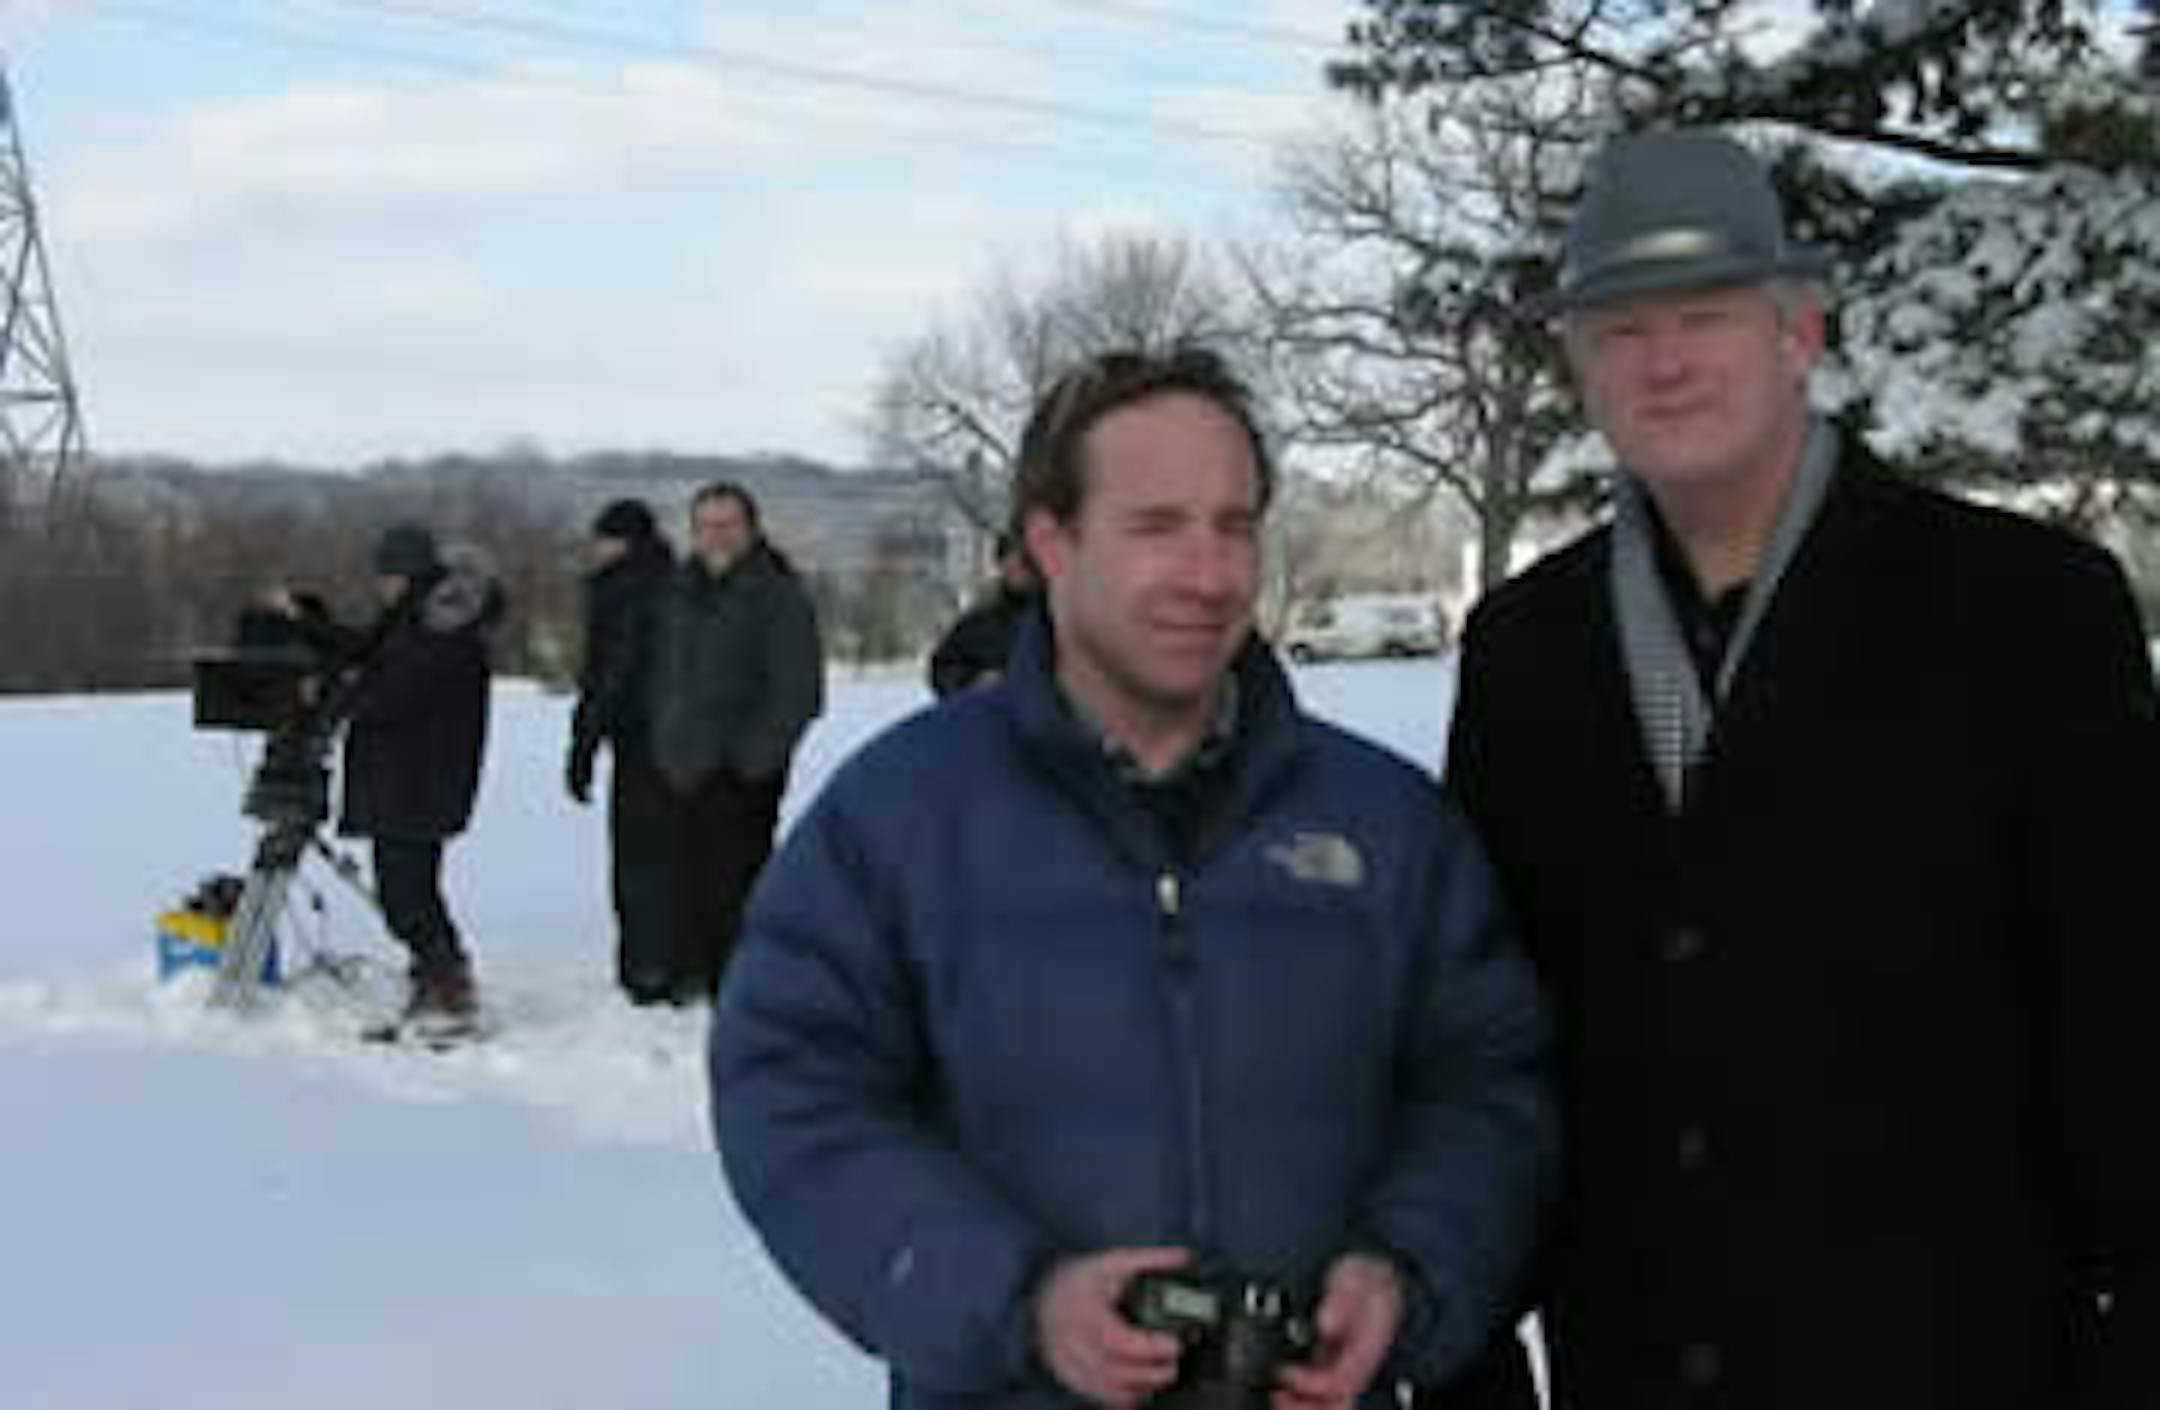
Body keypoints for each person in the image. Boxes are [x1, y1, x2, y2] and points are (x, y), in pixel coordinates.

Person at [1445, 127, 2160, 1409]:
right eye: (1618, 329)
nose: (1661, 362)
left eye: (1704, 315)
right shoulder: (1524, 654)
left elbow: (2129, 1017)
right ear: (1578, 366)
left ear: (1800, 333)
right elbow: (1498, 1034)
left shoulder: (2028, 614)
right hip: (1643, 1371)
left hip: (1966, 1367)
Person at [712, 346, 1556, 1410]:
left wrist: (1407, 1270)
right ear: (1051, 542)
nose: (1208, 576)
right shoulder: (900, 820)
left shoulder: (1386, 826)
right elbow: (793, 1094)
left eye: (1235, 526)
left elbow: (1486, 1088)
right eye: (1156, 527)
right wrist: (1015, 1301)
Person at [276, 522, 503, 1037]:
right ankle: (438, 979)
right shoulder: (415, 619)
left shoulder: (439, 628)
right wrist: (310, 623)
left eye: (388, 575)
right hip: (408, 780)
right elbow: (368, 650)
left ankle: (448, 990)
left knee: (408, 895)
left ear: (410, 575)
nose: (381, 586)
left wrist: (328, 698)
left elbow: (392, 696)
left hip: (419, 781)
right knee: (410, 891)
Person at [644, 481, 823, 1002]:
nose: (716, 536)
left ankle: (744, 985)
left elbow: (799, 690)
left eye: (727, 525)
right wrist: (666, 738)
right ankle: (692, 971)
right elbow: (663, 675)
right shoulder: (678, 592)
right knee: (685, 880)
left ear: (750, 529)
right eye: (705, 526)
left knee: (738, 884)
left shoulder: (777, 593)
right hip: (681, 762)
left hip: (743, 768)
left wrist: (755, 757)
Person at [564, 497, 677, 1004]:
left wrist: (583, 745)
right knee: (675, 855)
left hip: (640, 737)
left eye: (604, 540)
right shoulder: (676, 581)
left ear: (623, 542)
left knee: (638, 858)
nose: (597, 549)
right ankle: (677, 961)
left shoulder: (622, 591)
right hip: (683, 739)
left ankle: (647, 968)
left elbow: (610, 673)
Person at [927, 531, 1040, 697]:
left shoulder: (1062, 617)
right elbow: (942, 670)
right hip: (992, 715)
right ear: (1000, 565)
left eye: (1024, 561)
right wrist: (971, 682)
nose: (1017, 569)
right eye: (1008, 560)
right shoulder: (978, 621)